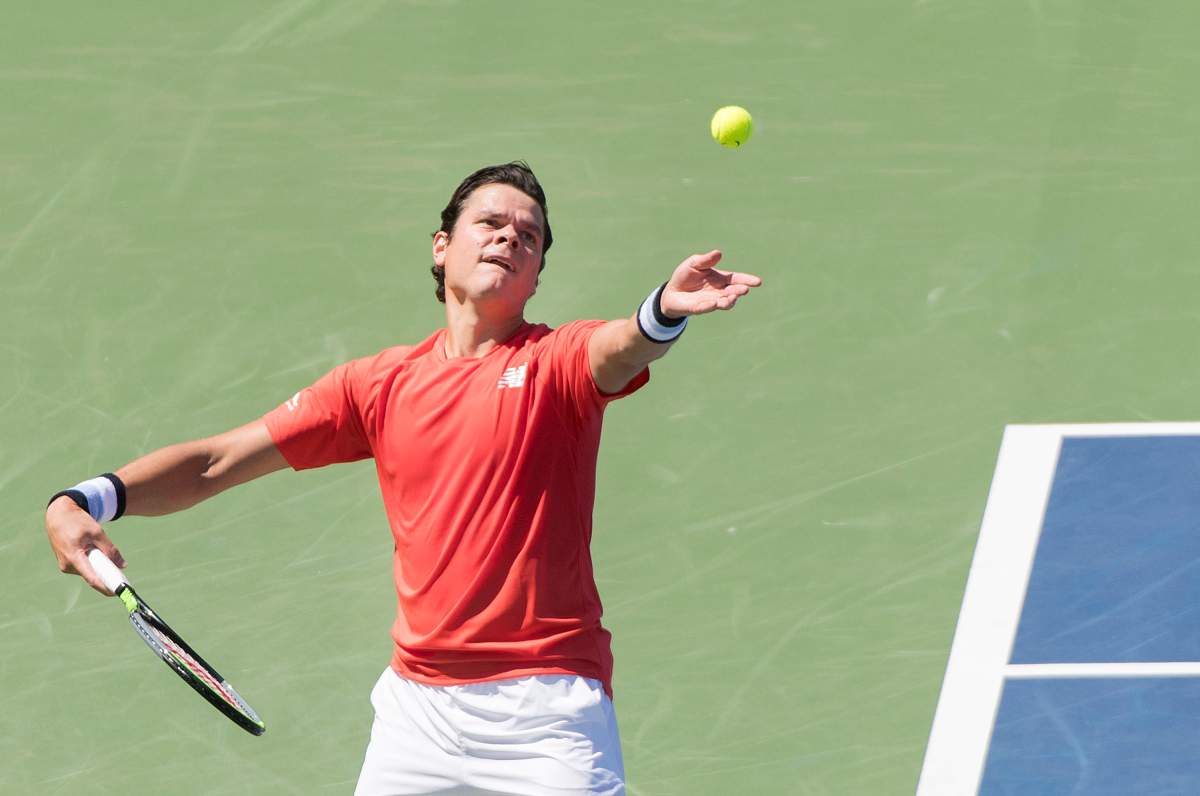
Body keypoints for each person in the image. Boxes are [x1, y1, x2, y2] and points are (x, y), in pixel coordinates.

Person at [44, 161, 762, 795]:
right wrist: (85, 499)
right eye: (490, 222)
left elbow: (618, 349)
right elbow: (213, 462)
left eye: (529, 236)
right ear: (441, 247)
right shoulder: (377, 386)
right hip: (417, 715)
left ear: (538, 274)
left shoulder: (553, 364)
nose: (510, 237)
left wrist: (663, 310)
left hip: (547, 714)